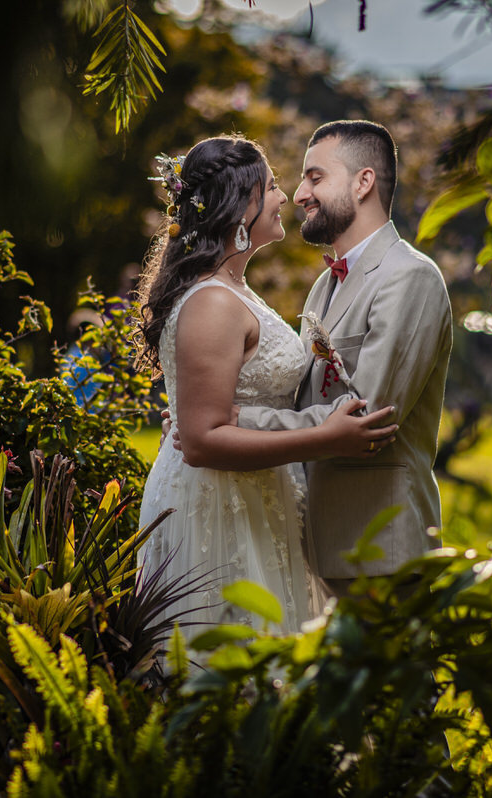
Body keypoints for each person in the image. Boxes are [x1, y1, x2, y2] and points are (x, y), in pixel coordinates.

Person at [134, 136, 398, 634]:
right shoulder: (212, 301)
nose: (285, 198)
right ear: (241, 205)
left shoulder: (234, 289)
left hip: (256, 494)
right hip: (219, 503)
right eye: (273, 186)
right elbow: (201, 442)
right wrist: (326, 438)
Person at [235, 120, 453, 599]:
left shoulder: (409, 277)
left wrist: (238, 423)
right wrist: (210, 417)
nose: (298, 194)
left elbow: (366, 416)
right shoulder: (322, 286)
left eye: (315, 177)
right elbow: (305, 400)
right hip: (321, 545)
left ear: (363, 182)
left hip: (381, 547)